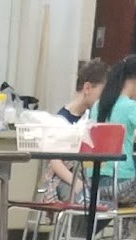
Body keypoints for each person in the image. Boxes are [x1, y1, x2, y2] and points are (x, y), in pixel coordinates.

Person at [65, 53, 136, 240]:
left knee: (103, 203)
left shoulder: (100, 104)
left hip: (91, 185)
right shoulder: (131, 107)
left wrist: (130, 134)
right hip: (120, 185)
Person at [42, 59, 110, 205]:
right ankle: (76, 228)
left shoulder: (91, 118)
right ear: (87, 88)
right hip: (64, 179)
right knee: (88, 201)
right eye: (102, 92)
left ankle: (80, 228)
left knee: (107, 202)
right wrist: (77, 183)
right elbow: (55, 162)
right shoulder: (62, 119)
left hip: (85, 178)